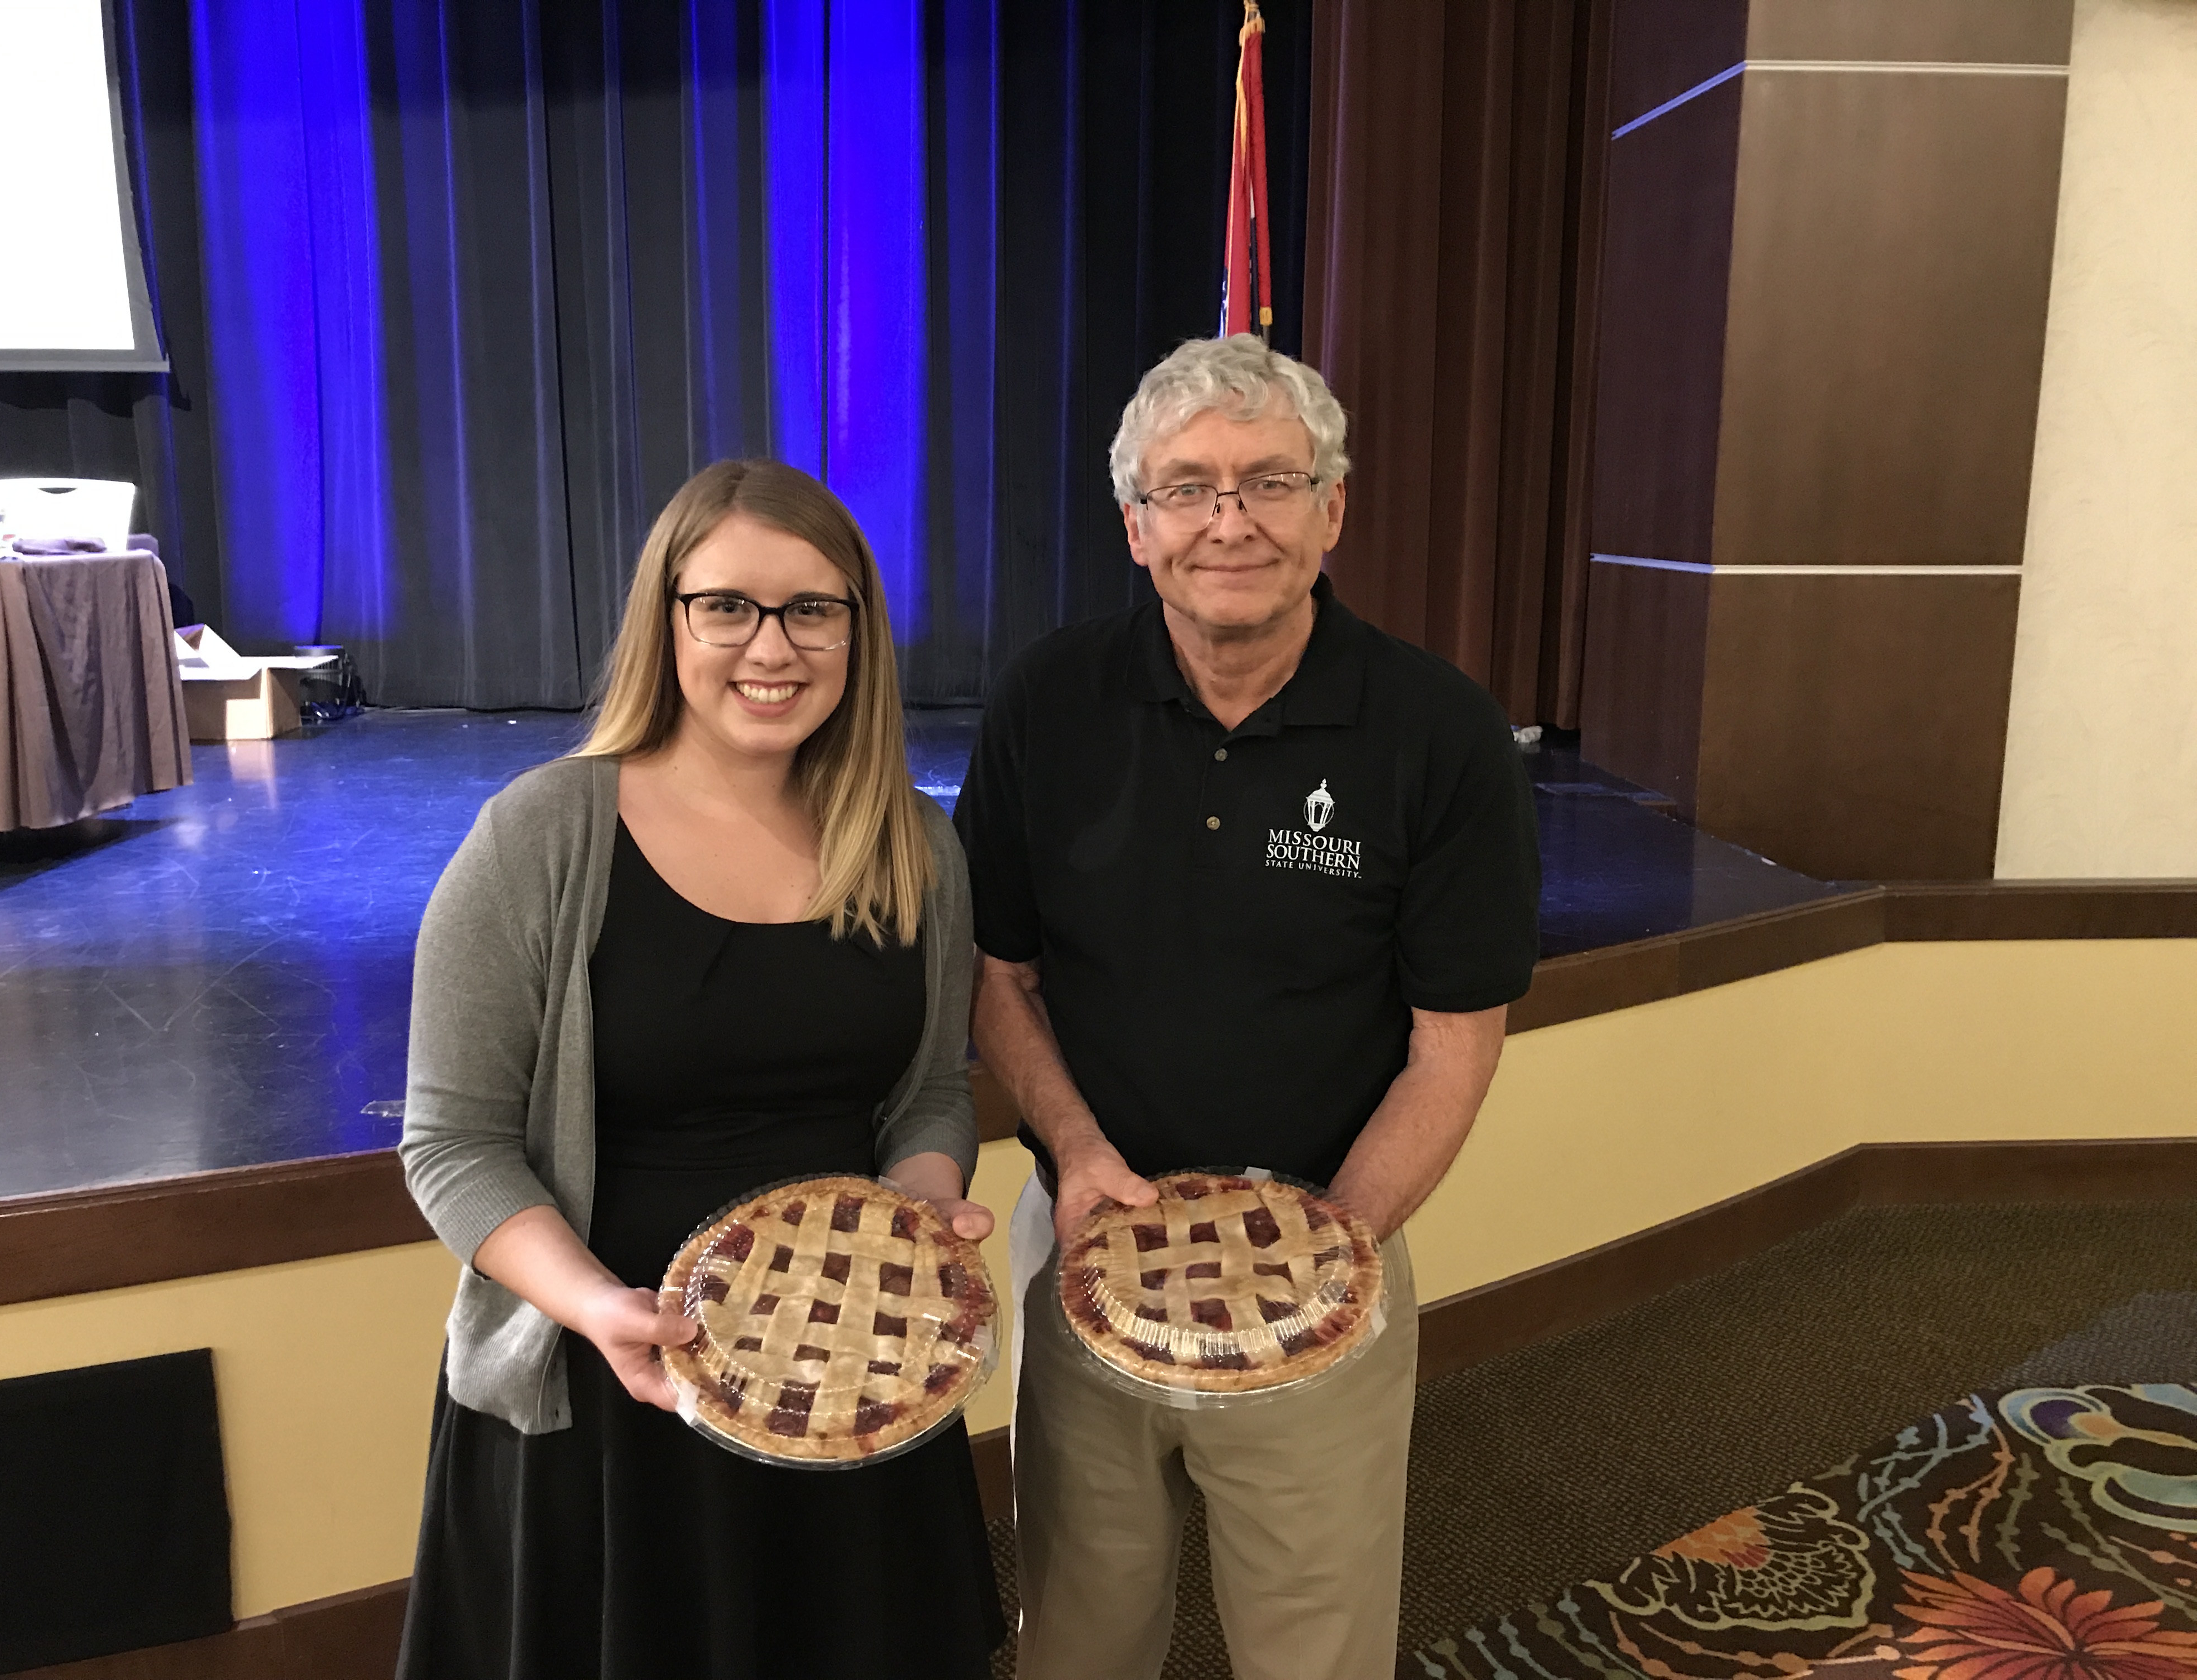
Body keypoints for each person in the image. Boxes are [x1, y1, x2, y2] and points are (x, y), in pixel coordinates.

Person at [956, 334, 1541, 1680]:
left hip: (1332, 1246)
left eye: (1272, 481)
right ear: (1136, 526)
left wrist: (1324, 1260)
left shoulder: (1440, 733)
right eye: (1188, 489)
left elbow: (1453, 1048)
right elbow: (1000, 977)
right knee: (1079, 1631)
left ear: (1333, 510)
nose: (1231, 522)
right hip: (1088, 1238)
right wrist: (1078, 1154)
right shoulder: (1050, 702)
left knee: (1313, 1646)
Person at [396, 459, 1006, 1680]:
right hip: (616, 1390)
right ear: (665, 619)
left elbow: (932, 1091)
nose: (771, 647)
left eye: (812, 609)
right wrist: (599, 1310)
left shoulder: (914, 843)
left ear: (858, 631)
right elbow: (453, 1145)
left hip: (849, 1374)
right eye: (727, 606)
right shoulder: (542, 836)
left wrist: (916, 1214)